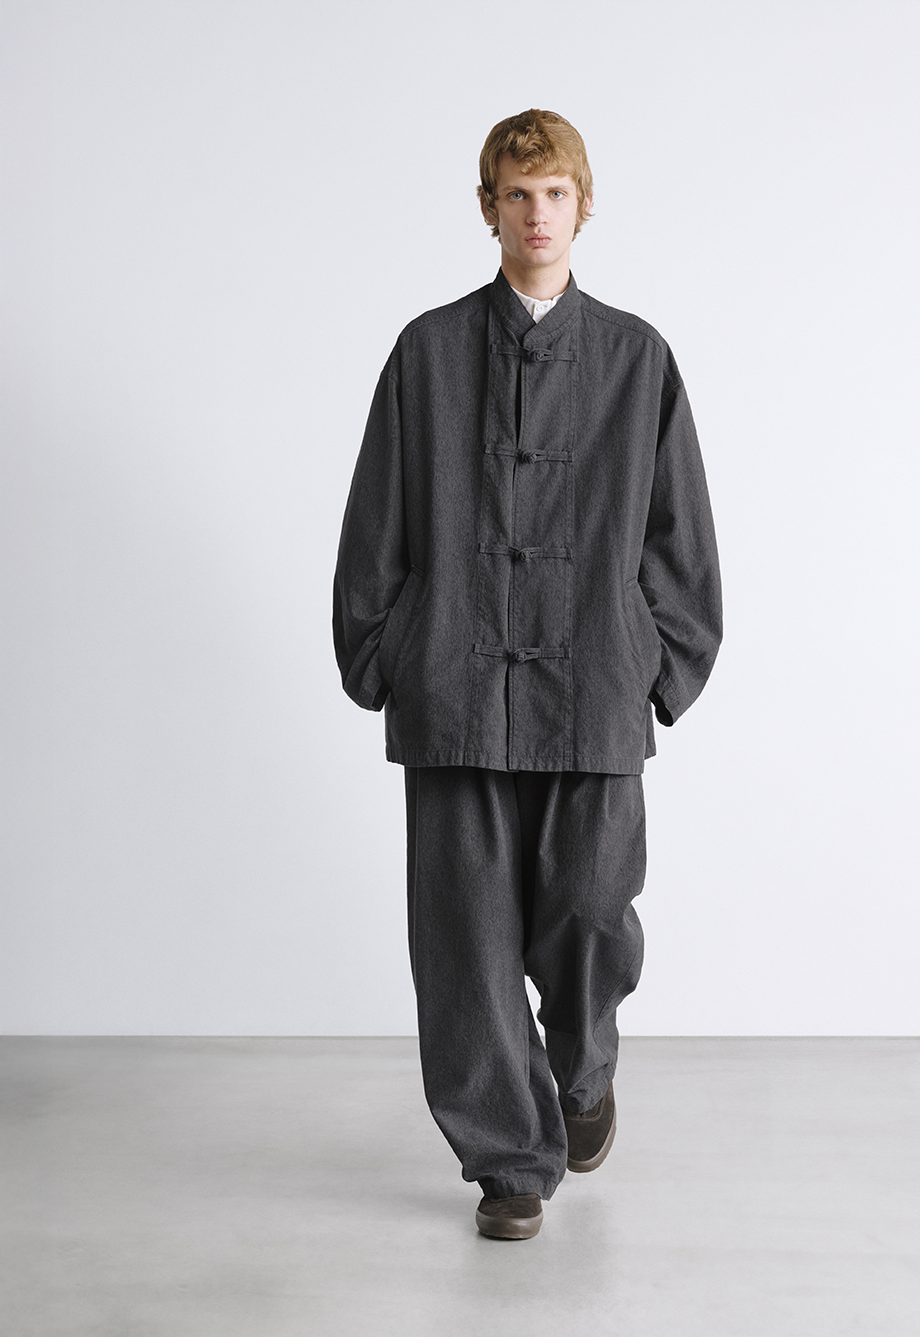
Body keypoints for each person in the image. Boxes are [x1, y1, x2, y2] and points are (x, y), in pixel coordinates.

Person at [333, 109, 722, 1240]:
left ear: (583, 207)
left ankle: (583, 1069)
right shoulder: (427, 354)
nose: (536, 214)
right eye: (516, 194)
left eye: (554, 194)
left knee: (592, 909)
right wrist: (387, 652)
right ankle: (508, 1161)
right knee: (465, 940)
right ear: (488, 208)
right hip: (453, 688)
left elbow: (681, 536)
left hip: (594, 685)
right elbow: (376, 520)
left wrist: (659, 662)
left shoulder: (638, 359)